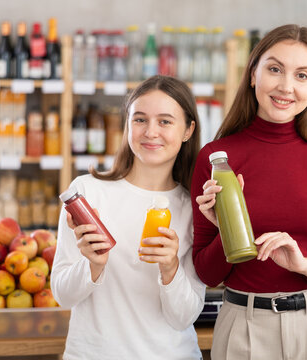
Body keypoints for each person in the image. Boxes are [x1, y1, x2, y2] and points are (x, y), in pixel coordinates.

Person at [191, 24, 307, 359]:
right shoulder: (217, 159)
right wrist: (225, 230)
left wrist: (305, 264)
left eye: (302, 75)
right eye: (275, 69)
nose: (286, 86)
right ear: (253, 74)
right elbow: (206, 273)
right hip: (242, 329)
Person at [52, 75, 206, 360]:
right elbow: (63, 295)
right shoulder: (87, 193)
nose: (150, 132)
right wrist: (93, 265)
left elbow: (183, 317)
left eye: (165, 121)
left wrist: (170, 268)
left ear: (188, 130)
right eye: (139, 119)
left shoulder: (195, 208)